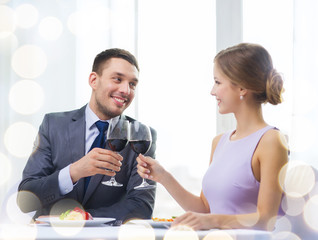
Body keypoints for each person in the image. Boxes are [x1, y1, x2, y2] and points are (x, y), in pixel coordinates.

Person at [137, 43, 288, 230]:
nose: (212, 91)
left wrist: (214, 221)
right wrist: (164, 177)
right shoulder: (219, 142)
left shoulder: (271, 141)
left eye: (218, 82)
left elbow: (266, 219)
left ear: (242, 88)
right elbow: (205, 209)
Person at [17, 48, 157, 222]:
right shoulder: (53, 125)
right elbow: (25, 200)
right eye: (118, 79)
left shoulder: (141, 136)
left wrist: (82, 218)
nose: (126, 90)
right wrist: (73, 172)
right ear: (93, 80)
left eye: (132, 84)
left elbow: (142, 207)